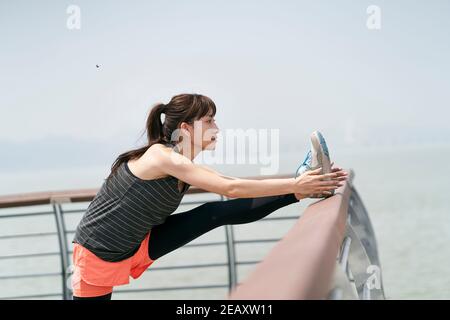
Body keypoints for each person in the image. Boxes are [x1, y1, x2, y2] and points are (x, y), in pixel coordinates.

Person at [71, 93, 348, 300]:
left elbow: (232, 186)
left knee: (211, 214)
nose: (217, 127)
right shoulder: (161, 156)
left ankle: (303, 189)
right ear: (187, 129)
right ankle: (301, 183)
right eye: (209, 120)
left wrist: (296, 184)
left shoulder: (183, 165)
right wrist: (294, 180)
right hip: (98, 251)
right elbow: (230, 187)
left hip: (137, 241)